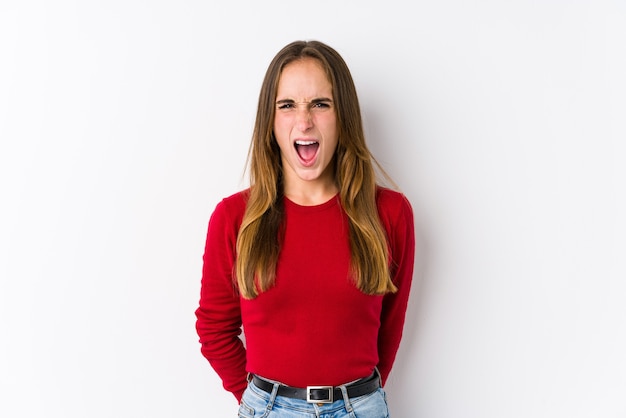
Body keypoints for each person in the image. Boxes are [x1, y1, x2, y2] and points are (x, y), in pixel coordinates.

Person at [195, 40, 415, 417]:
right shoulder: (234, 218)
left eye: (320, 103)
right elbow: (214, 329)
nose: (304, 120)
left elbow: (388, 329)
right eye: (287, 105)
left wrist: (358, 401)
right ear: (271, 121)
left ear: (343, 115)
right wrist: (261, 402)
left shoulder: (390, 214)